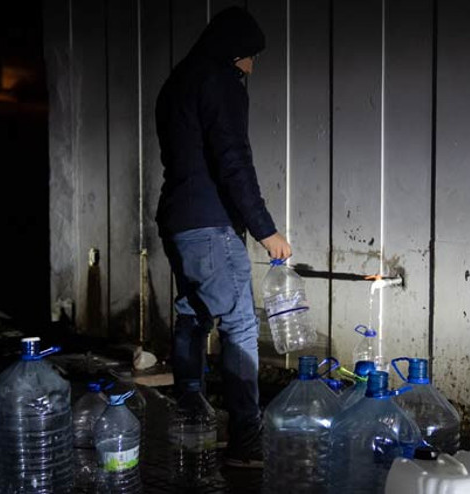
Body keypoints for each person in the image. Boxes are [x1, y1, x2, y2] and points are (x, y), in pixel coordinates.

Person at [154, 6, 290, 468]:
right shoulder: (220, 81)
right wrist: (265, 229)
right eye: (249, 57)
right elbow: (232, 158)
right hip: (211, 226)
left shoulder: (177, 82)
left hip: (177, 221)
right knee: (239, 325)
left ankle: (192, 419)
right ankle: (246, 443)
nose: (251, 66)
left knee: (193, 312)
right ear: (233, 52)